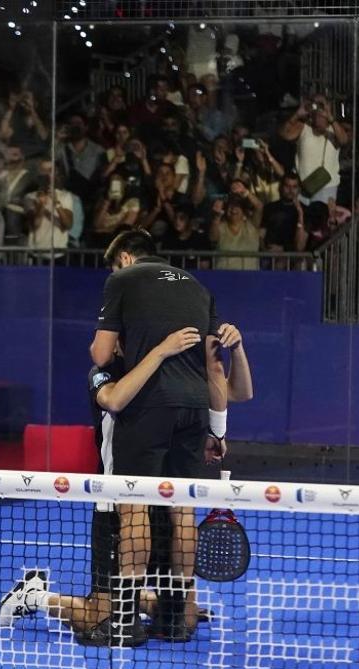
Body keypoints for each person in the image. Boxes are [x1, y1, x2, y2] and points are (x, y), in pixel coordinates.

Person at [0, 326, 253, 647]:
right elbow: (114, 400)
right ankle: (35, 597)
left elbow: (237, 392)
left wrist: (236, 350)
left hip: (164, 509)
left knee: (185, 620)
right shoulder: (103, 373)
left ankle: (147, 600)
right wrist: (161, 350)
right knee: (102, 622)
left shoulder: (172, 374)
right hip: (116, 509)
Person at [88, 231, 235, 645]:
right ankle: (174, 618)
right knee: (182, 511)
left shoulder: (123, 280)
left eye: (116, 264)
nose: (114, 271)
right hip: (194, 408)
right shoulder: (198, 287)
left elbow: (100, 355)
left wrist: (136, 348)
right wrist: (216, 431)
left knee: (134, 508)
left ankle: (126, 620)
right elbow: (215, 369)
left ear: (126, 257)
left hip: (149, 405)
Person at [281, 94, 352, 204]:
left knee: (321, 219)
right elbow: (284, 134)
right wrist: (296, 115)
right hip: (303, 186)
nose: (318, 110)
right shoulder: (303, 126)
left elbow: (344, 140)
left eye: (321, 105)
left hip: (327, 186)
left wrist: (330, 116)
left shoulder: (334, 129)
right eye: (314, 104)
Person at [209, 196, 262, 271]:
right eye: (230, 206)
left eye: (237, 206)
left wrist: (245, 192)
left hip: (249, 278)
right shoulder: (220, 227)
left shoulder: (251, 226)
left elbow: (259, 206)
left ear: (243, 211)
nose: (233, 209)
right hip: (223, 277)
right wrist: (216, 217)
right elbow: (213, 238)